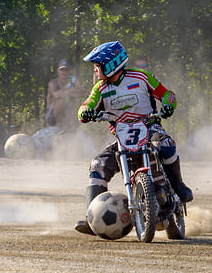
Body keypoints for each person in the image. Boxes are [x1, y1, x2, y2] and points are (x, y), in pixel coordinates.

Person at [73, 41, 192, 235]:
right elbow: (86, 106)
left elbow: (168, 95)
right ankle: (91, 217)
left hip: (149, 127)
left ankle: (178, 186)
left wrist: (169, 105)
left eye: (97, 66)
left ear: (111, 64)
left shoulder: (141, 77)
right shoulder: (100, 89)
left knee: (167, 145)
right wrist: (85, 112)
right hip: (122, 136)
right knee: (97, 165)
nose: (95, 70)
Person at [45, 59, 84, 132]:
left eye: (66, 70)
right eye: (62, 70)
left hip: (68, 113)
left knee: (77, 99)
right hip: (52, 116)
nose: (64, 72)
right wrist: (71, 90)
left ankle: (72, 125)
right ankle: (59, 128)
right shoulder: (53, 83)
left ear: (70, 71)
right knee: (60, 101)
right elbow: (57, 95)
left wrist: (65, 93)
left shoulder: (74, 80)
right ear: (58, 71)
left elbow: (81, 93)